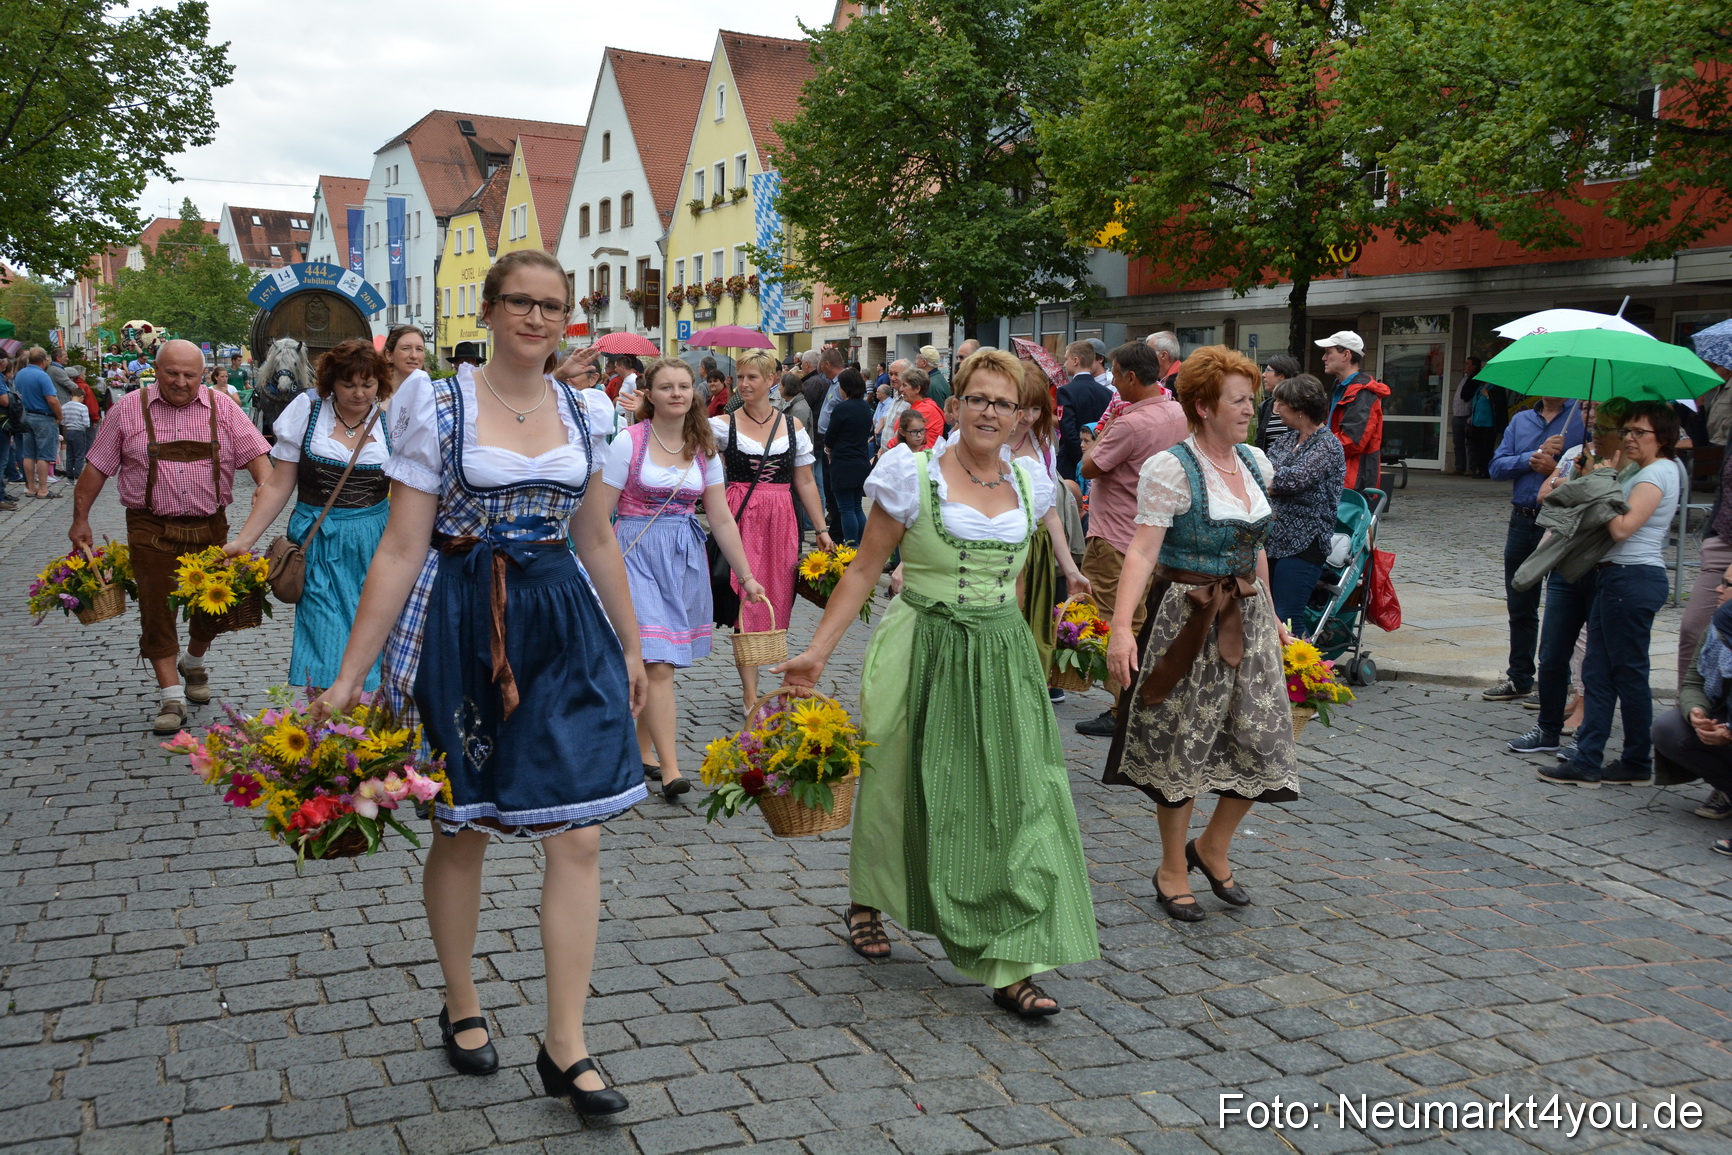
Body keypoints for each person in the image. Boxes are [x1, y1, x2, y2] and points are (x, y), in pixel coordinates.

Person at [314, 249, 644, 1115]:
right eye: (521, 303)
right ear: (491, 309)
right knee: (465, 830)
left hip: (563, 618)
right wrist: (353, 672)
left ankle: (565, 1043)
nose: (538, 319)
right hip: (466, 619)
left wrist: (634, 647)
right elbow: (399, 546)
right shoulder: (439, 401)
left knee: (579, 835)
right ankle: (462, 998)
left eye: (553, 307)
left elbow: (599, 537)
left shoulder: (587, 407)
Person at [775, 348, 1100, 1017]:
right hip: (921, 642)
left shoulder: (1032, 481)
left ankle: (1015, 960)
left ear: (1019, 417)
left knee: (1020, 796)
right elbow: (865, 568)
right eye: (977, 398)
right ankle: (870, 896)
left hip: (1002, 654)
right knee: (898, 781)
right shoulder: (909, 472)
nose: (989, 411)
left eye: (1003, 403)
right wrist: (815, 652)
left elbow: (1010, 575)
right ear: (954, 408)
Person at [1103, 345, 1300, 921]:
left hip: (1249, 617)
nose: (1250, 409)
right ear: (1204, 406)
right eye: (1238, 400)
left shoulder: (1257, 464)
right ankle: (1171, 867)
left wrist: (1274, 614)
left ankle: (1212, 847)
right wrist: (1121, 629)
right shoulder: (1171, 467)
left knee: (1263, 741)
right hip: (1186, 617)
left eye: (1251, 399)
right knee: (1183, 747)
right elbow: (1142, 551)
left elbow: (1255, 548)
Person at [71, 340, 273, 733]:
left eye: (189, 375)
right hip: (150, 527)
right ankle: (172, 696)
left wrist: (261, 509)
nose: (180, 382)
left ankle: (194, 661)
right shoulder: (128, 410)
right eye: (172, 373)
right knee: (157, 610)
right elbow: (95, 469)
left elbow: (264, 471)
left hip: (211, 526)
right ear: (156, 371)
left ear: (203, 375)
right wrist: (81, 519)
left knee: (214, 610)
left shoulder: (225, 408)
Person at [595, 357, 762, 800]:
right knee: (657, 662)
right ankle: (671, 771)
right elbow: (598, 513)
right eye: (666, 386)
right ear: (648, 394)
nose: (676, 393)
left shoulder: (704, 446)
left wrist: (746, 575)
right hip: (635, 552)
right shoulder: (628, 442)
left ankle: (639, 750)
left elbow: (722, 518)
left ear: (695, 394)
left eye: (684, 386)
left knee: (660, 658)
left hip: (682, 557)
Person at [224, 339, 396, 695]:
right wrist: (244, 541)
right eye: (349, 384)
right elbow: (278, 485)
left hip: (376, 541)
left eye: (368, 384)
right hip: (318, 540)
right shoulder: (308, 410)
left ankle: (366, 734)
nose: (359, 393)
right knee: (325, 635)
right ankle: (326, 725)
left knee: (376, 636)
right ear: (331, 382)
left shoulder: (393, 419)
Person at [1539, 401, 1680, 788]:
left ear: (1662, 438)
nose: (1630, 438)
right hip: (1617, 578)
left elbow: (1621, 529)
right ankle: (1609, 760)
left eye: (1640, 432)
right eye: (1628, 430)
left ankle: (1619, 759)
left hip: (1631, 578)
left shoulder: (1657, 474)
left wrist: (1602, 484)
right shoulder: (1643, 470)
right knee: (1607, 672)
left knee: (1621, 673)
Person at [1073, 341, 1188, 737]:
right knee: (1144, 622)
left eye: (1117, 376)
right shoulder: (1176, 410)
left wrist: (1103, 430)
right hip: (1154, 536)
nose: (1114, 385)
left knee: (1111, 620)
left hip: (1116, 534)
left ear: (1131, 377)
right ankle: (1136, 703)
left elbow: (1089, 465)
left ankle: (1123, 706)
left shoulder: (1128, 423)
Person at [713, 348, 834, 711]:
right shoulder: (722, 424)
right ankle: (751, 694)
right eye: (741, 377)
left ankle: (773, 679)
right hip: (741, 516)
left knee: (778, 601)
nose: (744, 384)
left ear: (771, 381)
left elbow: (806, 482)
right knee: (746, 603)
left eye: (753, 377)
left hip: (782, 519)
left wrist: (822, 529)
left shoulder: (792, 427)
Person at [1507, 401, 1625, 756]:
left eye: (1605, 427)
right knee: (1553, 651)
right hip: (1564, 560)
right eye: (1594, 424)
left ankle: (1590, 733)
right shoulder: (1578, 454)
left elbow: (1610, 513)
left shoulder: (1631, 468)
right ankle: (1547, 728)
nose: (1596, 431)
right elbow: (1551, 498)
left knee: (1595, 654)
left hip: (1604, 566)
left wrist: (1589, 483)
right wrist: (1575, 477)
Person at [1483, 393, 1585, 702]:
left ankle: (1556, 683)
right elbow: (1496, 467)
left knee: (1561, 606)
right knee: (1520, 601)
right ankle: (1520, 677)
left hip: (1561, 522)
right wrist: (1530, 457)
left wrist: (1555, 470)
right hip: (1523, 520)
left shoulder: (1582, 418)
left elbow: (1595, 471)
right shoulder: (1521, 420)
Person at [1007, 363, 1091, 700]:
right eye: (1020, 406)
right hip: (994, 556)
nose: (1027, 416)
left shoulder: (1042, 443)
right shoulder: (977, 438)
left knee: (1034, 638)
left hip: (1037, 553)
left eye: (1035, 407)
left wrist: (1070, 569)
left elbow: (1051, 512)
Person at [1264, 374, 1345, 628]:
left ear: (1300, 409)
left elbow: (1290, 481)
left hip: (1304, 543)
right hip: (1273, 538)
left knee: (1288, 615)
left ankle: (1302, 667)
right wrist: (1272, 480)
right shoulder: (1286, 439)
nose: (1276, 408)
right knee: (1267, 613)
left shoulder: (1328, 445)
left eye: (1282, 403)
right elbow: (1260, 473)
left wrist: (1272, 480)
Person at [1654, 601, 1732, 839]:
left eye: (1728, 584)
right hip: (1724, 715)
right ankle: (1728, 789)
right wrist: (1695, 710)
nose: (1718, 589)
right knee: (1668, 728)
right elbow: (1693, 682)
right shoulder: (1719, 625)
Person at [1314, 331, 1388, 495]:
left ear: (1346, 355)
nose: (1324, 358)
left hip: (1353, 482)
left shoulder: (1362, 393)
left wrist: (1314, 449)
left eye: (1328, 352)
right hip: (1341, 477)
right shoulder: (1342, 387)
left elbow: (1352, 442)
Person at [826, 369, 875, 545]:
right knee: (857, 507)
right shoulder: (865, 407)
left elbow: (830, 437)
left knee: (846, 508)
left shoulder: (841, 409)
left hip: (843, 463)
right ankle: (862, 544)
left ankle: (851, 545)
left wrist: (828, 448)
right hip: (861, 461)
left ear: (845, 387)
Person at [1056, 339, 1112, 484]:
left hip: (1071, 461)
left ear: (1076, 361)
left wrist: (1081, 459)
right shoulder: (1107, 393)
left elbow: (1067, 430)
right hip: (1099, 459)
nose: (1064, 363)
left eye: (1066, 359)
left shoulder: (1065, 391)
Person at [15, 349, 62, 500]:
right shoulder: (42, 375)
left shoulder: (21, 374)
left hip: (26, 415)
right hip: (43, 417)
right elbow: (52, 399)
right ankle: (43, 489)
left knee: (28, 454)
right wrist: (59, 416)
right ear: (43, 361)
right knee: (44, 454)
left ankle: (31, 487)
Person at [1252, 354, 1301, 454]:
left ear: (1282, 376)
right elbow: (1260, 443)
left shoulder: (1299, 404)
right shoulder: (1265, 407)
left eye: (1268, 370)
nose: (1263, 375)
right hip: (1268, 466)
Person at [886, 368, 943, 451]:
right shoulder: (918, 406)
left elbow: (898, 439)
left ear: (917, 389)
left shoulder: (926, 410)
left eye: (904, 385)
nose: (901, 389)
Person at [58, 366, 95, 483]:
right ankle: (78, 474)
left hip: (68, 431)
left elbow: (62, 420)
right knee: (79, 454)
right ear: (81, 397)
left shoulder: (64, 406)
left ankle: (69, 476)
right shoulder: (82, 407)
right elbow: (86, 422)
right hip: (79, 431)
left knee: (70, 454)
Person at [1451, 357, 1483, 474]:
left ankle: (1472, 468)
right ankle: (1460, 467)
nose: (1465, 366)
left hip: (1468, 416)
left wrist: (1471, 415)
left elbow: (1469, 397)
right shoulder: (1464, 379)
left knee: (1470, 444)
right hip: (1458, 415)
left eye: (1468, 364)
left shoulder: (1475, 380)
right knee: (1458, 443)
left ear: (1474, 366)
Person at [384, 324, 429, 395]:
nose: (414, 356)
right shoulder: (372, 396)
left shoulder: (433, 395)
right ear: (389, 355)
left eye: (419, 349)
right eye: (406, 348)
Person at [1468, 377, 1498, 477]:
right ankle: (1480, 469)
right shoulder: (1480, 387)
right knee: (1478, 448)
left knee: (1486, 448)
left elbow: (1498, 404)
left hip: (1488, 423)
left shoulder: (1494, 387)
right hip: (1477, 422)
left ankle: (1486, 470)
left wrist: (1488, 395)